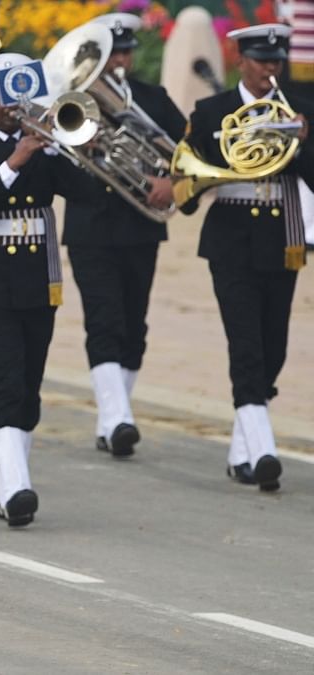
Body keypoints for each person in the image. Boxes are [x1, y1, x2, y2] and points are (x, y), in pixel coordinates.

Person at [0, 53, 97, 527]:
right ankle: (16, 489)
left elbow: (89, 193)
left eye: (18, 100)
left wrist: (62, 148)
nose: (11, 108)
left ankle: (10, 484)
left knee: (29, 386)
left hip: (37, 284)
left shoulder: (44, 150)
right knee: (7, 380)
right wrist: (15, 162)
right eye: (0, 99)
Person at [180, 24, 312, 492]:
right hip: (232, 238)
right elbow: (186, 186)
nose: (270, 69)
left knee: (273, 347)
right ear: (241, 61)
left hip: (282, 237)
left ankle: (242, 453)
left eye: (276, 61)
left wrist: (303, 137)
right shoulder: (212, 110)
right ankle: (263, 452)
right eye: (261, 60)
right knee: (246, 345)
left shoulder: (299, 108)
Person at [63, 13, 186, 458]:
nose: (118, 61)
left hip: (139, 225)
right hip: (89, 224)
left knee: (135, 328)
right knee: (105, 320)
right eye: (111, 53)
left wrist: (170, 182)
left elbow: (186, 151)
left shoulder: (154, 98)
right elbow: (54, 152)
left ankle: (112, 417)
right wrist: (80, 146)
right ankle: (117, 420)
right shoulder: (72, 99)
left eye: (125, 52)